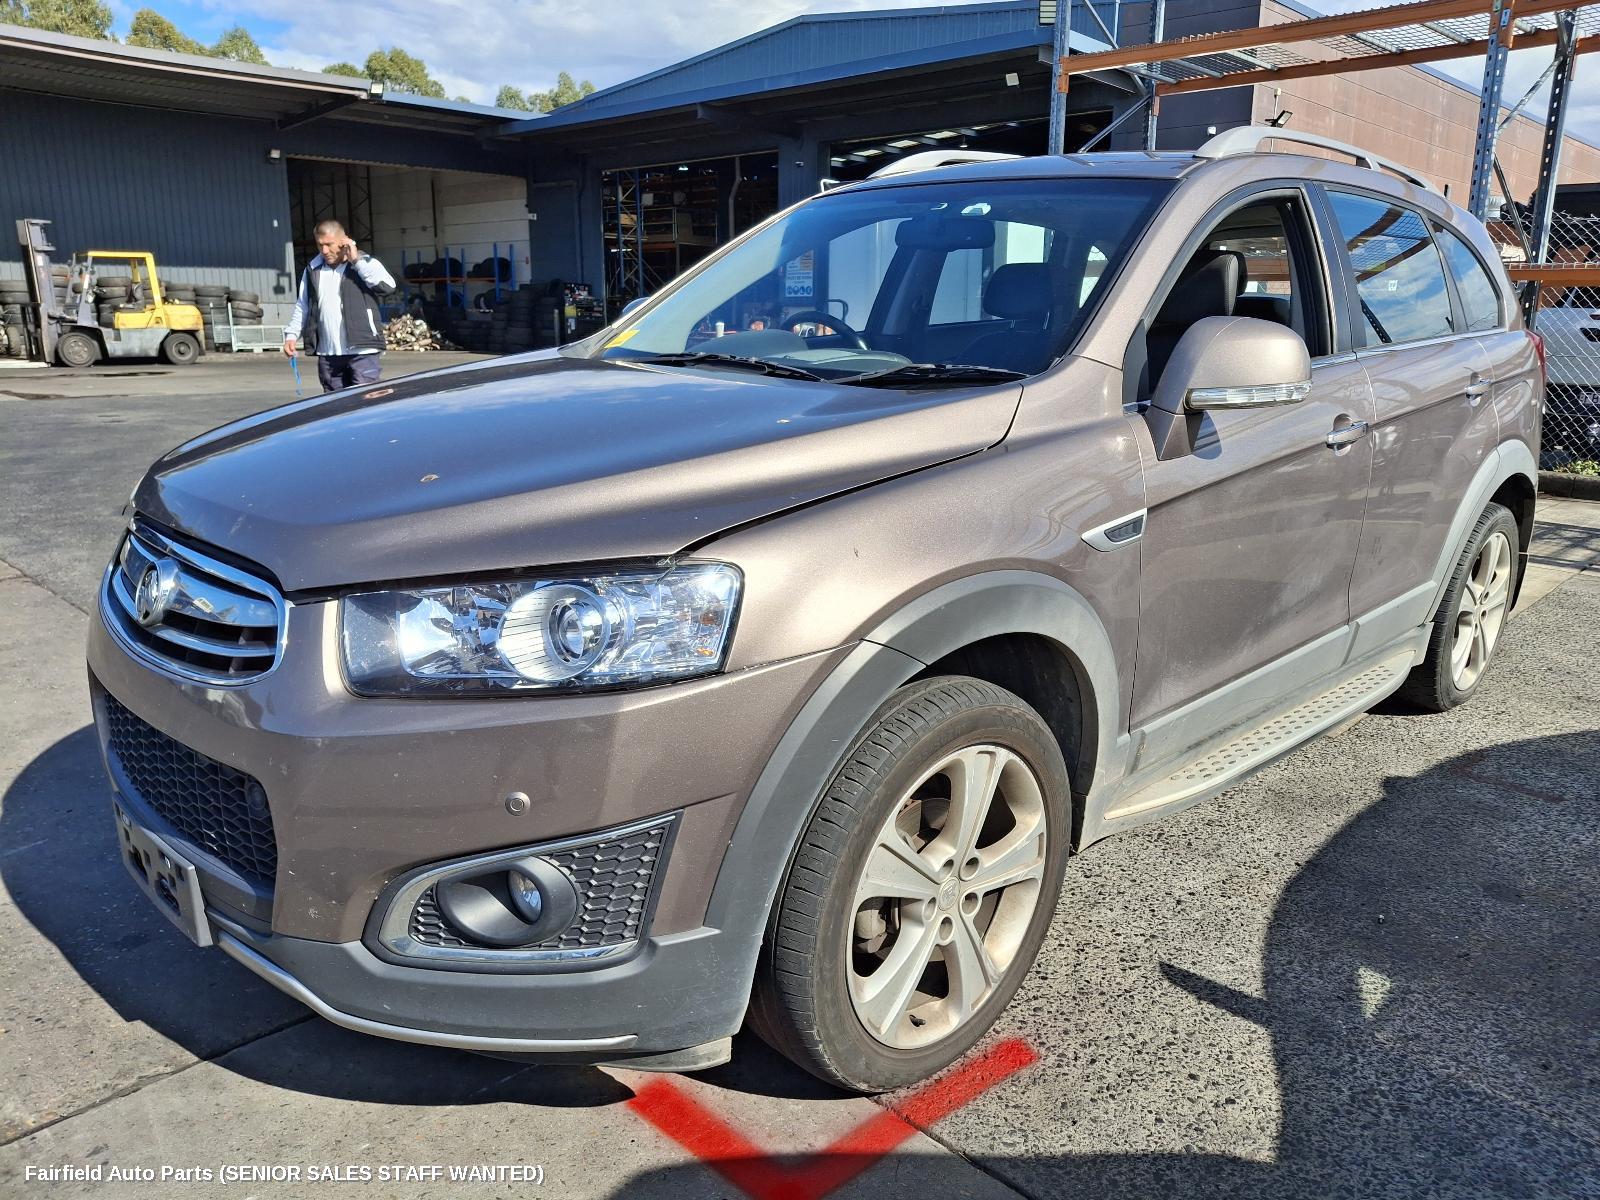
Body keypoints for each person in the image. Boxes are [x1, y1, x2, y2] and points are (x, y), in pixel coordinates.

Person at [282, 220, 396, 393]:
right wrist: (291, 335)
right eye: (320, 245)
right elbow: (303, 305)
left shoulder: (365, 263)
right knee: (334, 405)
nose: (325, 251)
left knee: (367, 400)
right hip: (328, 353)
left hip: (363, 350)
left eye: (329, 244)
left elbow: (387, 286)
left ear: (344, 240)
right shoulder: (312, 270)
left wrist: (356, 261)